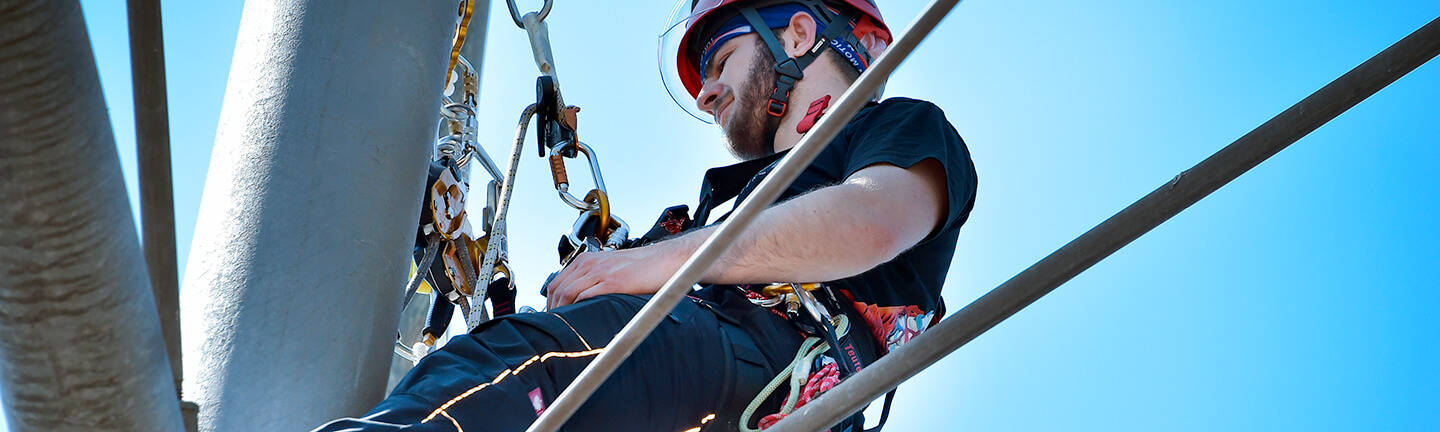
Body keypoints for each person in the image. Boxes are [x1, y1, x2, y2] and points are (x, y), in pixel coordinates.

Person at [313, 0, 975, 430]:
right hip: (723, 379)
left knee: (521, 362)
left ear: (799, 33)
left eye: (721, 61)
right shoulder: (721, 205)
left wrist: (653, 263)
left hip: (766, 361)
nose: (708, 92)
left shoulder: (897, 130)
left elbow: (871, 220)